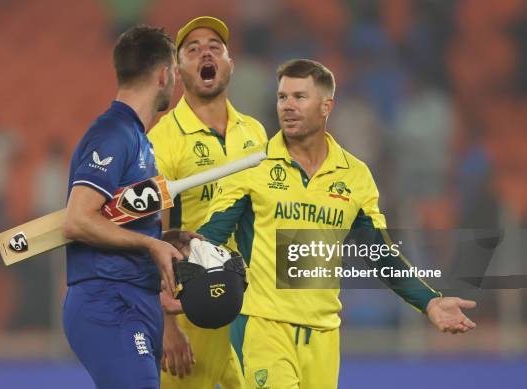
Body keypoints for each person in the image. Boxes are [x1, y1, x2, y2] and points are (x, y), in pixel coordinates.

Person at [197, 59, 477, 389]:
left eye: (300, 97)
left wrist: (428, 301)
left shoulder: (355, 176)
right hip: (262, 327)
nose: (288, 106)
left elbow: (380, 254)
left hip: (323, 334)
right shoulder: (250, 167)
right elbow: (207, 239)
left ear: (326, 105)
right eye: (282, 97)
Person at [62, 25, 195, 389]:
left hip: (136, 299)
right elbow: (77, 220)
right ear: (164, 75)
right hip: (107, 301)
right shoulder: (113, 134)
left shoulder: (139, 139)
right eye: (175, 73)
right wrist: (151, 245)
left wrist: (162, 236)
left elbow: (111, 219)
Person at [147, 16, 267, 389]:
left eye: (215, 48)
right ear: (178, 71)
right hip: (192, 304)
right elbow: (150, 232)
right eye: (193, 50)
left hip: (248, 303)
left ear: (230, 64)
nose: (206, 54)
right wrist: (167, 324)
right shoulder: (163, 138)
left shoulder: (255, 132)